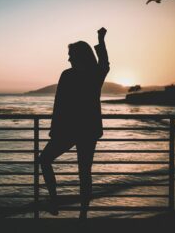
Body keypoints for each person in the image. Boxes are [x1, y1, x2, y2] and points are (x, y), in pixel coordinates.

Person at [39, 27, 110, 219]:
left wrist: (100, 40)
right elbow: (59, 105)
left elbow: (104, 63)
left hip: (77, 131)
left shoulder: (93, 74)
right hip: (79, 130)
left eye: (70, 55)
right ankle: (59, 203)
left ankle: (79, 213)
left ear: (79, 56)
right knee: (54, 163)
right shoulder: (70, 75)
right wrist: (55, 131)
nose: (68, 59)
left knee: (82, 172)